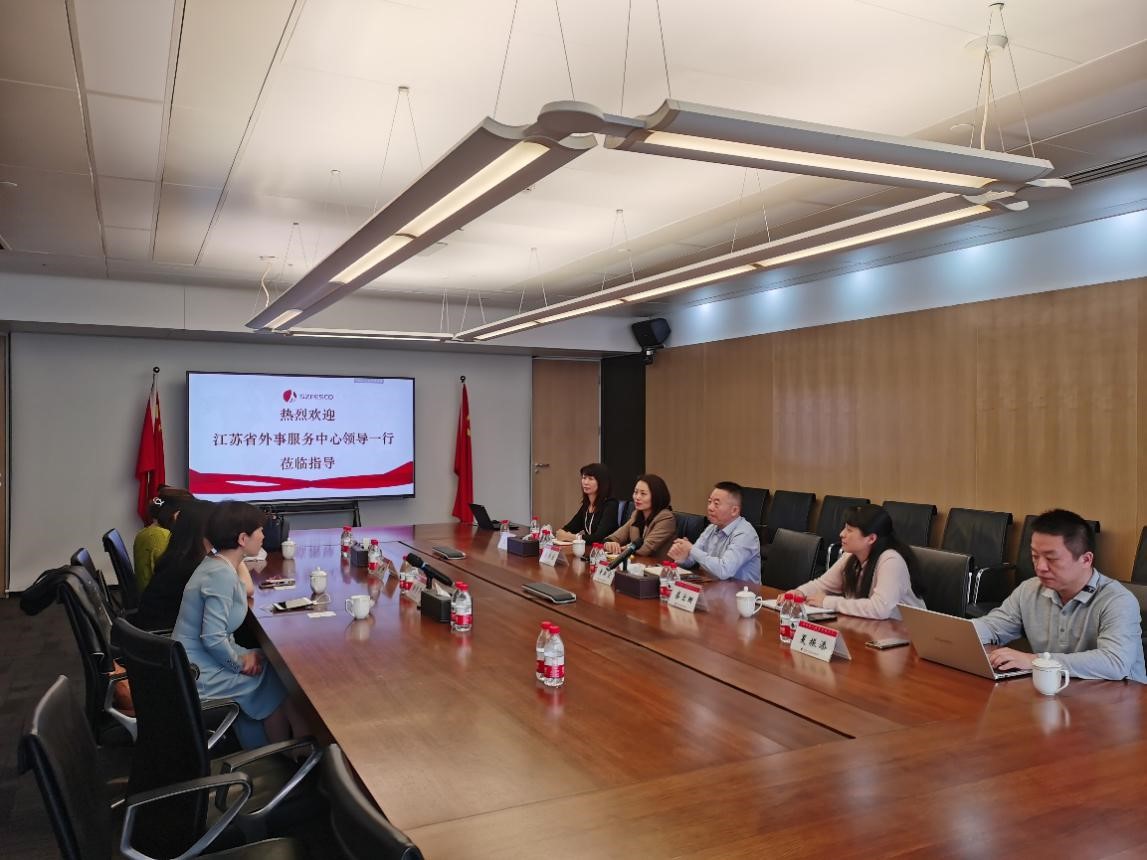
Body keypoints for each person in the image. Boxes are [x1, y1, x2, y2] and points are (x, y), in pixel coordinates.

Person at [172, 501, 307, 747]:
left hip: (196, 661)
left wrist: (245, 656)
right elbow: (213, 638)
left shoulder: (216, 563)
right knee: (280, 678)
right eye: (260, 531)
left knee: (274, 668)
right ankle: (289, 750)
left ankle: (283, 748)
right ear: (243, 538)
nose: (264, 535)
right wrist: (239, 663)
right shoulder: (220, 575)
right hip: (199, 673)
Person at [973, 509, 1146, 682]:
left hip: (1117, 694)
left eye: (1051, 559)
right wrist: (962, 633)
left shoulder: (1118, 601)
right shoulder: (1029, 589)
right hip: (1056, 688)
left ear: (1086, 560)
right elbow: (992, 627)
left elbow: (1115, 662)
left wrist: (1035, 661)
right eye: (1035, 556)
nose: (1040, 567)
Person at [788, 504, 925, 619]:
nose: (842, 534)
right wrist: (799, 593)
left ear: (871, 538)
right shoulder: (850, 556)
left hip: (907, 635)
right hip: (872, 628)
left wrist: (828, 602)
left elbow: (879, 609)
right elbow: (823, 585)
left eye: (849, 530)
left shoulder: (891, 561)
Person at [136, 499, 214, 630]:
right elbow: (245, 588)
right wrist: (233, 548)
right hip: (166, 637)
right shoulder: (193, 567)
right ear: (203, 529)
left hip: (154, 633)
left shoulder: (179, 557)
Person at [667, 481, 761, 583]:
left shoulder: (745, 534)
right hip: (714, 586)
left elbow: (724, 570)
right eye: (709, 502)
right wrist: (682, 557)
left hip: (743, 591)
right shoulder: (712, 527)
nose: (710, 508)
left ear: (734, 510)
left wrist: (691, 549)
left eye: (716, 504)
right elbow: (692, 559)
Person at [132, 486, 193, 591]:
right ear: (176, 514)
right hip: (158, 598)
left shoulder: (150, 531)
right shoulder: (159, 536)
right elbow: (176, 577)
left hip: (153, 595)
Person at [603, 474, 676, 559]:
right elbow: (614, 537)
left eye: (643, 494)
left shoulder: (666, 518)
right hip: (637, 563)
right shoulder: (637, 514)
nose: (637, 497)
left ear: (656, 496)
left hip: (658, 566)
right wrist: (609, 543)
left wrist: (620, 548)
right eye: (635, 492)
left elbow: (645, 549)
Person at [555, 463, 620, 546]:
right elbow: (569, 528)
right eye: (584, 478)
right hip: (590, 549)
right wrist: (561, 533)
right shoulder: (587, 505)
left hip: (606, 551)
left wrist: (571, 537)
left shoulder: (610, 504)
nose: (585, 482)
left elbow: (599, 538)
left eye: (591, 479)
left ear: (601, 482)